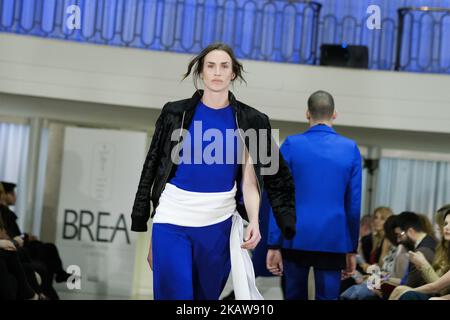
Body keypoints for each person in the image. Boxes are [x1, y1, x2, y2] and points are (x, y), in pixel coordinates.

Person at [131, 42, 296, 300]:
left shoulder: (253, 121)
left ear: (233, 73)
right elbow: (152, 166)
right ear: (201, 72)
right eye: (210, 66)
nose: (217, 72)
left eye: (224, 66)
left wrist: (254, 221)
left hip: (218, 223)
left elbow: (252, 183)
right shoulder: (174, 113)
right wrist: (146, 221)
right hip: (172, 218)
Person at [266, 90, 362, 300]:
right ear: (335, 114)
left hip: (295, 235)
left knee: (294, 296)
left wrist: (274, 243)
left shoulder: (291, 144)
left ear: (307, 114)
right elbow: (353, 205)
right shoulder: (350, 149)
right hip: (333, 238)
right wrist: (351, 248)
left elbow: (279, 196)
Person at [390, 205, 450, 300]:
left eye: (400, 234)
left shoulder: (425, 249)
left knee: (406, 294)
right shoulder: (442, 248)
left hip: (435, 293)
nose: (444, 228)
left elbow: (439, 287)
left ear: (410, 230)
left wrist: (424, 265)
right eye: (445, 224)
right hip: (435, 293)